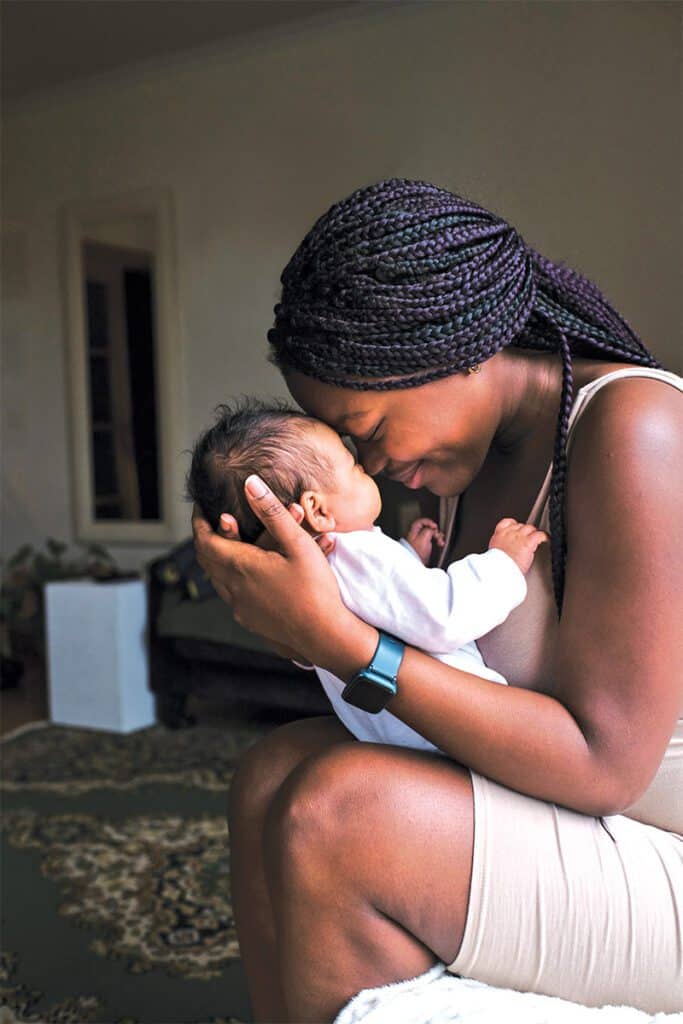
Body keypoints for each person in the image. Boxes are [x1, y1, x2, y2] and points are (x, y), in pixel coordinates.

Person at [192, 179, 683, 1022]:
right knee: (270, 774)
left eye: (369, 431)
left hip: (657, 841)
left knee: (338, 812)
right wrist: (304, 615)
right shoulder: (456, 467)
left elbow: (605, 766)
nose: (371, 467)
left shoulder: (634, 427)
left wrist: (348, 644)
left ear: (457, 345)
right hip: (562, 809)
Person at [186, 400, 547, 751]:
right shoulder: (357, 553)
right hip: (450, 728)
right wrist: (503, 562)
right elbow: (444, 616)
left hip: (392, 731)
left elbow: (383, 611)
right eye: (354, 467)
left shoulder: (309, 575)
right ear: (317, 510)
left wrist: (407, 557)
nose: (368, 469)